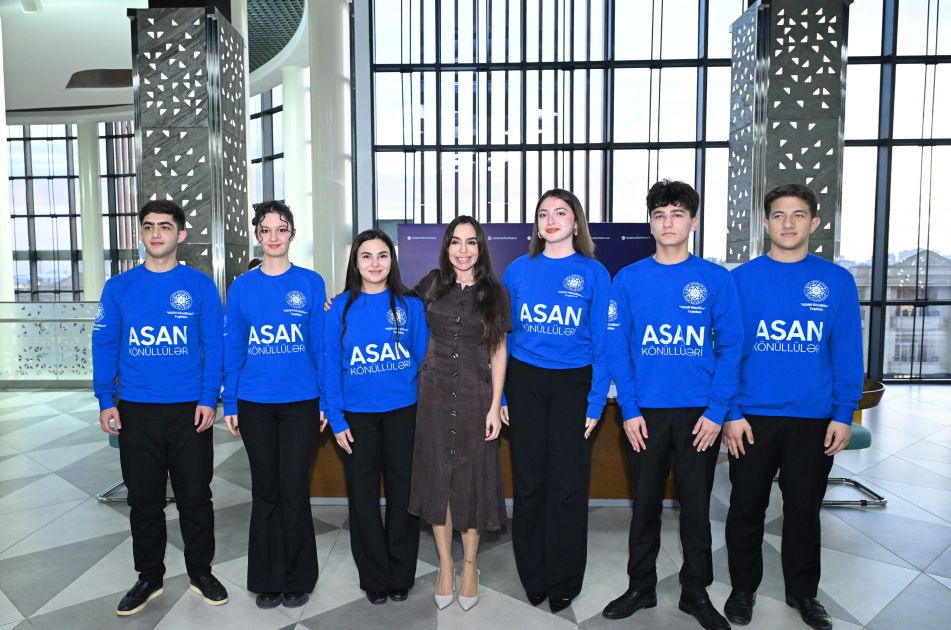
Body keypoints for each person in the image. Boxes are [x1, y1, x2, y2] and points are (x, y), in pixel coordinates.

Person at [601, 180, 742, 630]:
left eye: (677, 214)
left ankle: (695, 591)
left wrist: (717, 411)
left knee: (696, 509)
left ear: (693, 222)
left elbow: (732, 348)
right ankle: (640, 586)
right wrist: (629, 409)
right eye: (659, 215)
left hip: (699, 415)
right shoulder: (628, 279)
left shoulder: (716, 279)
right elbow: (617, 348)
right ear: (650, 223)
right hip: (644, 413)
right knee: (644, 506)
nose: (668, 223)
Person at [722, 184, 862, 630]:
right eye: (779, 215)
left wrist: (844, 413)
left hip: (812, 418)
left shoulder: (837, 281)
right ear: (765, 224)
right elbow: (727, 351)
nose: (788, 223)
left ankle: (803, 593)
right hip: (752, 417)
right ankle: (742, 589)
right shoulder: (740, 281)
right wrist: (730, 413)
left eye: (798, 215)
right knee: (746, 508)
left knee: (803, 512)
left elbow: (846, 353)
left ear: (814, 223)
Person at [92, 200, 228, 616]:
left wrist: (208, 397)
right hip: (137, 409)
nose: (156, 233)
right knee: (144, 499)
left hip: (189, 410)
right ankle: (149, 577)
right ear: (141, 233)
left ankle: (200, 572)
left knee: (195, 497)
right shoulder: (119, 288)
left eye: (165, 227)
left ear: (180, 235)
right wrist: (106, 399)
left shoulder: (200, 286)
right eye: (148, 226)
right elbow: (105, 343)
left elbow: (214, 346)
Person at [501, 188, 610, 613]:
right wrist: (503, 393)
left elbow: (602, 344)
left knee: (568, 486)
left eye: (560, 213)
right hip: (525, 381)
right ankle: (533, 574)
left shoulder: (594, 273)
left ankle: (564, 578)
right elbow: (503, 340)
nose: (551, 220)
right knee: (530, 483)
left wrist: (596, 402)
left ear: (576, 222)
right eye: (543, 213)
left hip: (573, 384)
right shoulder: (517, 270)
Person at [222, 201, 327, 610]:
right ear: (257, 235)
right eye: (265, 230)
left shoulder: (311, 283)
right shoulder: (241, 287)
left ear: (292, 234)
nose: (273, 237)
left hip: (302, 402)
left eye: (281, 229)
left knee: (294, 490)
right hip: (255, 403)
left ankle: (298, 577)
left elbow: (319, 347)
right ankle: (267, 577)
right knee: (265, 491)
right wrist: (230, 401)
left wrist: (325, 401)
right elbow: (234, 348)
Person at [408, 215, 510, 612]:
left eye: (470, 242)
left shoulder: (495, 294)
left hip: (475, 396)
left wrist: (495, 405)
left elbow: (498, 352)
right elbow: (391, 304)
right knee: (438, 480)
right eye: (455, 241)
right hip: (433, 396)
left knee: (472, 483)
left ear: (480, 248)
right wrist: (341, 299)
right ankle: (445, 567)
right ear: (446, 247)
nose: (462, 250)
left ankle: (469, 566)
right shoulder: (432, 284)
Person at [322, 229, 429, 605]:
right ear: (355, 262)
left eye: (382, 255)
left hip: (404, 413)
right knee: (363, 498)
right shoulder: (338, 308)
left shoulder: (412, 306)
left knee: (404, 496)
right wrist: (336, 419)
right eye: (366, 256)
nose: (374, 263)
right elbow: (330, 366)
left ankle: (401, 574)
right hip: (357, 418)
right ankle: (374, 577)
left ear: (392, 260)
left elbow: (423, 361)